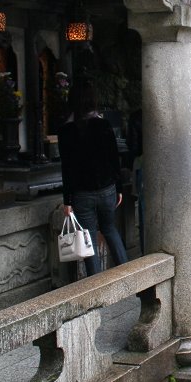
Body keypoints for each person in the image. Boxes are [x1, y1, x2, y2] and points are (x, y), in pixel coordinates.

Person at [59, 84, 128, 277]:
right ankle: (128, 272)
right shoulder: (103, 125)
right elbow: (114, 159)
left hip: (81, 193)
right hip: (107, 188)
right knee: (110, 229)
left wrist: (67, 201)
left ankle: (95, 284)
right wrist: (119, 188)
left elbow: (67, 168)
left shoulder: (66, 131)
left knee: (88, 237)